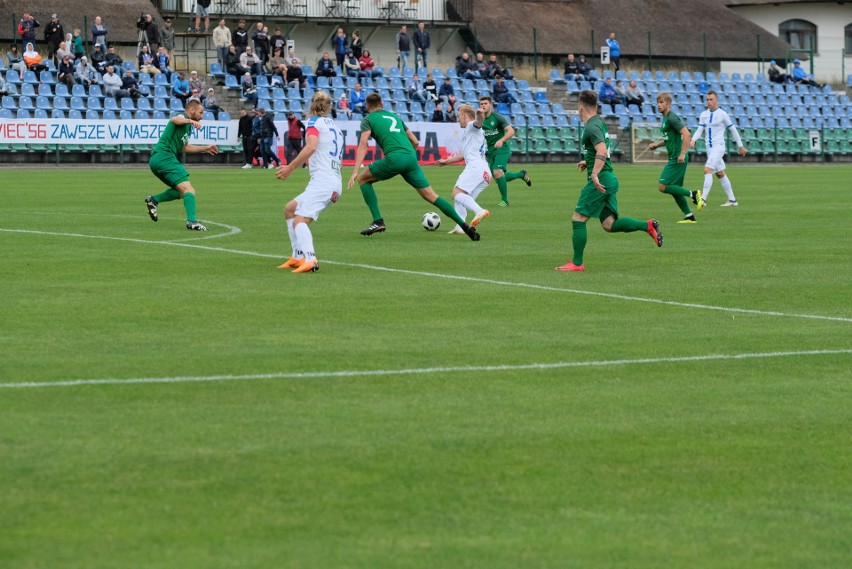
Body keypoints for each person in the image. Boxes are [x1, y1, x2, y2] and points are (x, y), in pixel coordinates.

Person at [347, 93, 481, 241]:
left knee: (363, 179)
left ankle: (378, 221)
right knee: (431, 196)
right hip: (411, 157)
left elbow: (363, 144)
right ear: (382, 104)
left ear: (367, 106)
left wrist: (355, 171)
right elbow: (415, 142)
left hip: (394, 158)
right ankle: (463, 225)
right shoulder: (395, 117)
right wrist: (406, 159)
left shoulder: (367, 119)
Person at [555, 89, 663, 272]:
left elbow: (603, 151)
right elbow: (599, 151)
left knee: (578, 219)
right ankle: (648, 225)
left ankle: (577, 263)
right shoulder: (599, 123)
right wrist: (588, 161)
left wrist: (594, 174)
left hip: (602, 179)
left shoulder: (591, 126)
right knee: (609, 224)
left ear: (581, 108)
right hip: (609, 177)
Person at [275, 91, 344, 273]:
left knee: (300, 220)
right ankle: (297, 257)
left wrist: (290, 167)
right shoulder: (336, 128)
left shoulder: (314, 123)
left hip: (324, 182)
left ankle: (311, 259)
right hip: (333, 181)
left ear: (311, 106)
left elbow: (311, 146)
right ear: (329, 107)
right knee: (290, 208)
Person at [144, 99, 218, 231]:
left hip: (158, 159)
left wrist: (205, 148)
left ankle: (154, 200)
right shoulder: (183, 117)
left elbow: (183, 147)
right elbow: (174, 119)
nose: (202, 116)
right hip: (164, 157)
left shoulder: (187, 127)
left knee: (182, 192)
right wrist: (191, 120)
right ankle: (192, 222)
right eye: (200, 112)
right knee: (189, 190)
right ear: (192, 111)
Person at [437, 104, 492, 235]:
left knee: (456, 194)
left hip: (476, 167)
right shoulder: (471, 133)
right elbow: (464, 154)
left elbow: (478, 122)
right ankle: (460, 226)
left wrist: (480, 114)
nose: (457, 120)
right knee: (461, 199)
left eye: (458, 117)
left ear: (464, 116)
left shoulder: (471, 126)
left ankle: (479, 211)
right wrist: (447, 162)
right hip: (485, 172)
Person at [648, 92, 702, 223]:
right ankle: (689, 216)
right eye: (658, 102)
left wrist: (682, 153)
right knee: (675, 190)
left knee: (662, 186)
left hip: (677, 158)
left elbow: (686, 134)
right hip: (675, 157)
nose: (658, 105)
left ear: (668, 104)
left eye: (661, 103)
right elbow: (669, 138)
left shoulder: (672, 118)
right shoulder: (665, 119)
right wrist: (657, 144)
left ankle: (694, 194)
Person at [689, 90, 746, 207]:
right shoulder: (704, 114)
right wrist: (694, 139)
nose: (709, 102)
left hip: (718, 147)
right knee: (719, 173)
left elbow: (733, 130)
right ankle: (732, 200)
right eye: (707, 100)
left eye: (711, 99)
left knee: (707, 169)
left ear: (716, 100)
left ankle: (703, 199)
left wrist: (740, 146)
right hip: (709, 149)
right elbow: (700, 129)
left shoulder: (722, 114)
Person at [479, 95, 531, 208]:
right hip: (491, 151)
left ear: (490, 105)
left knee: (498, 172)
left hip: (502, 149)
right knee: (498, 178)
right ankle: (521, 174)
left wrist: (501, 140)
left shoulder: (497, 117)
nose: (483, 106)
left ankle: (505, 201)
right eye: (481, 104)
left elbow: (511, 131)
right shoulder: (480, 120)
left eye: (485, 104)